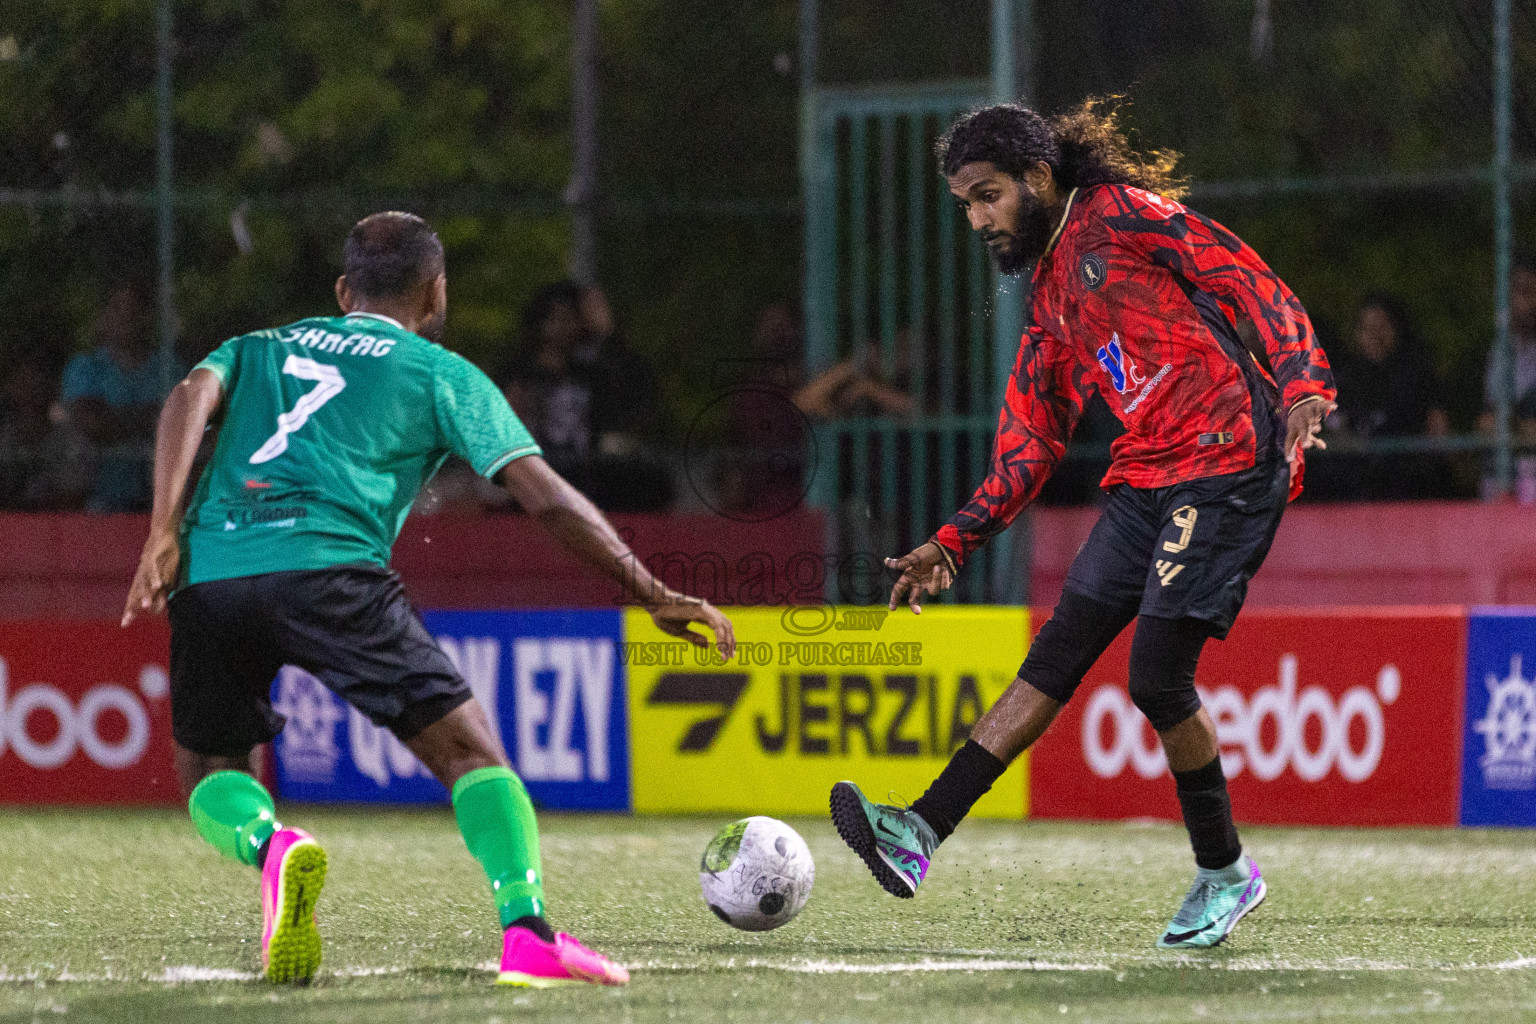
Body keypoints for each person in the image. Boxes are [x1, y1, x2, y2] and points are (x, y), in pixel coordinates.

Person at [120, 212, 735, 987]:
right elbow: (545, 498)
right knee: (472, 754)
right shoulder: (442, 373)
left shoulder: (260, 346)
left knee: (209, 768)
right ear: (436, 292)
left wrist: (161, 532)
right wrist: (651, 591)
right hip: (331, 568)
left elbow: (187, 396)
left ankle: (270, 847)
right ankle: (527, 931)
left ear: (344, 290)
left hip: (212, 569)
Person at [829, 100, 1335, 949]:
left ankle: (1225, 873)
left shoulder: (1124, 218)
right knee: (1053, 660)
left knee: (1155, 680)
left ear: (1038, 177)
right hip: (1149, 479)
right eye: (965, 204)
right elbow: (1029, 442)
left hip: (1228, 462)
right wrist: (954, 541)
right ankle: (917, 833)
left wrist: (1302, 379)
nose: (978, 218)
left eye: (987, 196)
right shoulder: (1051, 292)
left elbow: (1242, 276)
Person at [62, 285, 185, 511]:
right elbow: (89, 425)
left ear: (149, 318)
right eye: (118, 308)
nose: (128, 316)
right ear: (104, 316)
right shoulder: (86, 368)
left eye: (136, 309)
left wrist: (113, 417)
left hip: (159, 505)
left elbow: (178, 426)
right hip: (94, 502)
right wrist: (147, 417)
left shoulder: (170, 369)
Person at [1320, 294, 1450, 500]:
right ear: (1357, 333)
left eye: (1382, 327)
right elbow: (1337, 430)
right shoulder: (1346, 378)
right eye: (1367, 328)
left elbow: (1438, 431)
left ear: (1397, 330)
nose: (1375, 336)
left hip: (1410, 485)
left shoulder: (1418, 373)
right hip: (1358, 489)